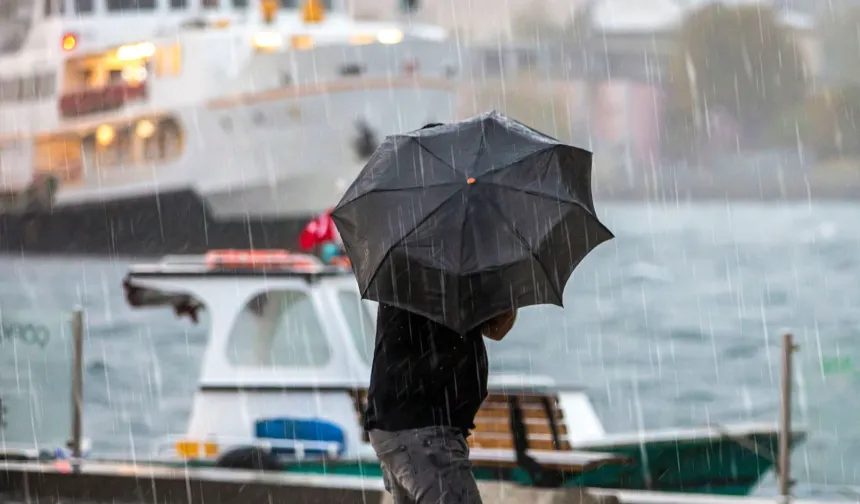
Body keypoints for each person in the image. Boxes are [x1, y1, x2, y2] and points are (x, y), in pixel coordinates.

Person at [365, 305, 517, 504]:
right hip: (421, 427)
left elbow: (496, 328)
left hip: (408, 422)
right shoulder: (442, 280)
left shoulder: (431, 281)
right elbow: (497, 324)